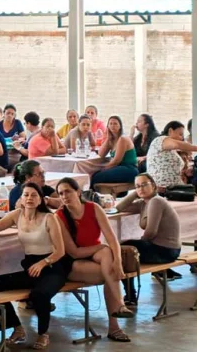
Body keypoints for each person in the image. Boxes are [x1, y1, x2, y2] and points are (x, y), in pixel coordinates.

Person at [0, 183, 68, 349]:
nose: (29, 198)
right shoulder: (17, 215)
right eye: (26, 195)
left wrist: (43, 263)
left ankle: (43, 334)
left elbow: (60, 251)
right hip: (29, 266)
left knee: (39, 294)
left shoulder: (49, 218)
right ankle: (17, 328)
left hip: (51, 267)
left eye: (34, 195)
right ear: (21, 198)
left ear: (40, 199)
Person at [55, 178, 133, 342]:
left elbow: (112, 239)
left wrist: (118, 261)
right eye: (61, 193)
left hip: (95, 255)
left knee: (109, 261)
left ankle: (118, 315)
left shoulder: (93, 208)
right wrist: (102, 248)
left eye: (68, 191)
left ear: (78, 192)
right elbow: (74, 252)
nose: (64, 196)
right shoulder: (59, 216)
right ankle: (117, 317)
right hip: (71, 262)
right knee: (108, 269)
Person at [118, 173, 182, 303]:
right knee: (125, 250)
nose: (141, 188)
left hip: (166, 251)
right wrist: (136, 193)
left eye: (144, 185)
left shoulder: (156, 201)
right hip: (161, 248)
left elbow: (151, 232)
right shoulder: (144, 203)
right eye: (137, 186)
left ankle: (130, 295)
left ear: (153, 185)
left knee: (124, 252)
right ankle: (130, 294)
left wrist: (136, 247)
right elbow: (119, 207)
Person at [146, 120, 197, 189]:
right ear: (170, 131)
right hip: (163, 188)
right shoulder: (160, 140)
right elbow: (177, 144)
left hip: (175, 187)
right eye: (180, 134)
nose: (182, 138)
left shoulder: (171, 150)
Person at [90, 116, 139, 188]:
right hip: (119, 168)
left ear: (120, 126)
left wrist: (103, 169)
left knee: (96, 176)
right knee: (94, 175)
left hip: (129, 169)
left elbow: (116, 161)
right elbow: (101, 154)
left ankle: (91, 194)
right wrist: (108, 138)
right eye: (110, 124)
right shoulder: (111, 140)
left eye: (115, 124)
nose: (113, 125)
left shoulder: (123, 139)